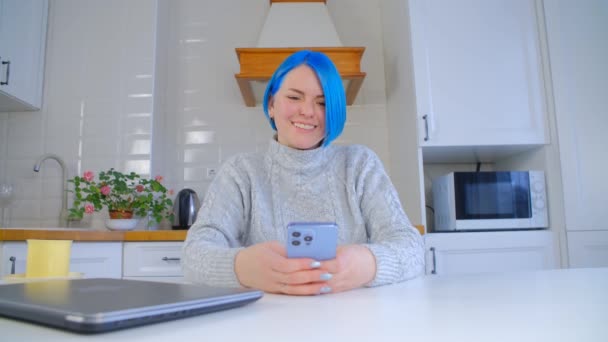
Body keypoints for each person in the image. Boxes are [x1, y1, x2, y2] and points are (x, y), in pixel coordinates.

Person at [182, 50, 424, 295]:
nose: (308, 111)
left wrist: (368, 264)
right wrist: (241, 267)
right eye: (295, 97)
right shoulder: (240, 173)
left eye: (322, 102)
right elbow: (193, 255)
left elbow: (412, 248)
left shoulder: (360, 165)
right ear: (271, 104)